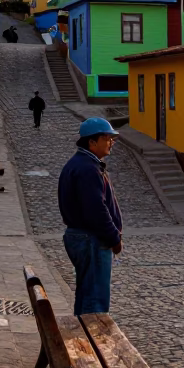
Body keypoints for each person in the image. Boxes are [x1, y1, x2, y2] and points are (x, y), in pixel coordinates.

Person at [57, 117, 123, 315]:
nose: (111, 142)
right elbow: (96, 210)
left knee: (87, 294)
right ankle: (90, 343)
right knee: (94, 301)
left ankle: (83, 340)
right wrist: (114, 238)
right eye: (107, 138)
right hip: (90, 239)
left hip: (84, 237)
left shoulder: (84, 163)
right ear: (92, 142)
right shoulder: (87, 168)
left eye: (112, 138)